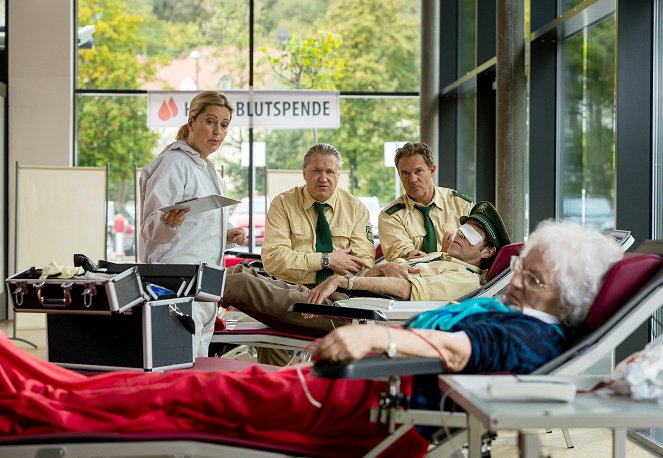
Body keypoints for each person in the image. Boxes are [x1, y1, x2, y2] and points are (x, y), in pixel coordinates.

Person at [0, 221, 622, 458]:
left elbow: (461, 353)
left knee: (194, 392)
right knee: (198, 381)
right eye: (518, 270)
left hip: (362, 405)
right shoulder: (523, 315)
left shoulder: (527, 339)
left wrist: (374, 342)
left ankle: (38, 403)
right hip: (355, 391)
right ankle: (44, 389)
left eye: (530, 276)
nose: (514, 282)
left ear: (560, 296)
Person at [223, 201, 511, 340]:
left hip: (354, 316)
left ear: (486, 253)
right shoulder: (438, 257)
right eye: (462, 229)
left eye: (471, 236)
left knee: (240, 286)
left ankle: (181, 290)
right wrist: (374, 273)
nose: (459, 235)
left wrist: (344, 278)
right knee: (244, 274)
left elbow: (405, 289)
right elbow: (382, 272)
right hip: (342, 301)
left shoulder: (463, 277)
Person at [138, 90, 246, 358]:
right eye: (210, 121)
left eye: (224, 125)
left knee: (197, 362)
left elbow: (200, 227)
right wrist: (168, 222)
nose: (217, 132)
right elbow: (150, 227)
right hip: (175, 284)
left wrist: (227, 233)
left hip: (203, 284)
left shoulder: (209, 169)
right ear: (191, 121)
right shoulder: (173, 163)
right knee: (176, 362)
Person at [260, 143, 375, 286]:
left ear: (338, 174)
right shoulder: (283, 204)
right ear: (304, 174)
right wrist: (326, 260)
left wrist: (301, 262)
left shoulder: (356, 209)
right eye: (316, 171)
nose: (323, 178)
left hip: (341, 289)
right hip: (291, 288)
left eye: (330, 172)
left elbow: (364, 263)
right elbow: (274, 260)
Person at [378, 142, 473, 262]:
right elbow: (409, 263)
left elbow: (476, 252)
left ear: (432, 170)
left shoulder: (460, 204)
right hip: (416, 279)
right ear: (399, 175)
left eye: (418, 171)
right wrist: (444, 253)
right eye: (405, 173)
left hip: (461, 277)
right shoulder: (390, 216)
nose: (412, 179)